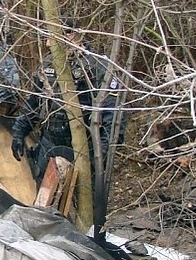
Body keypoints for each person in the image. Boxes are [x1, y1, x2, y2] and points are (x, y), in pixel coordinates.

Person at [11, 21, 122, 183]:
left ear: (72, 36)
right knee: (44, 198)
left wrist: (102, 152)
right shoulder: (48, 64)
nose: (48, 43)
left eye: (54, 38)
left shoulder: (97, 67)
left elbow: (112, 114)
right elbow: (34, 103)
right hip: (50, 142)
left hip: (83, 146)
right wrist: (19, 132)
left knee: (84, 198)